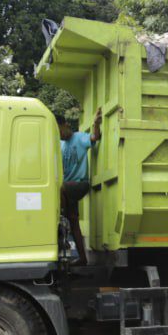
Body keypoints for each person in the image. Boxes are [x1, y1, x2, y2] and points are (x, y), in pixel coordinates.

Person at [57, 108, 102, 266]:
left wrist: (96, 124)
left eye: (60, 130)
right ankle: (83, 258)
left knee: (61, 189)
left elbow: (95, 137)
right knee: (74, 221)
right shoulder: (60, 146)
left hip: (79, 184)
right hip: (68, 191)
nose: (61, 135)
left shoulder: (79, 138)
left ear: (66, 125)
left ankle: (59, 224)